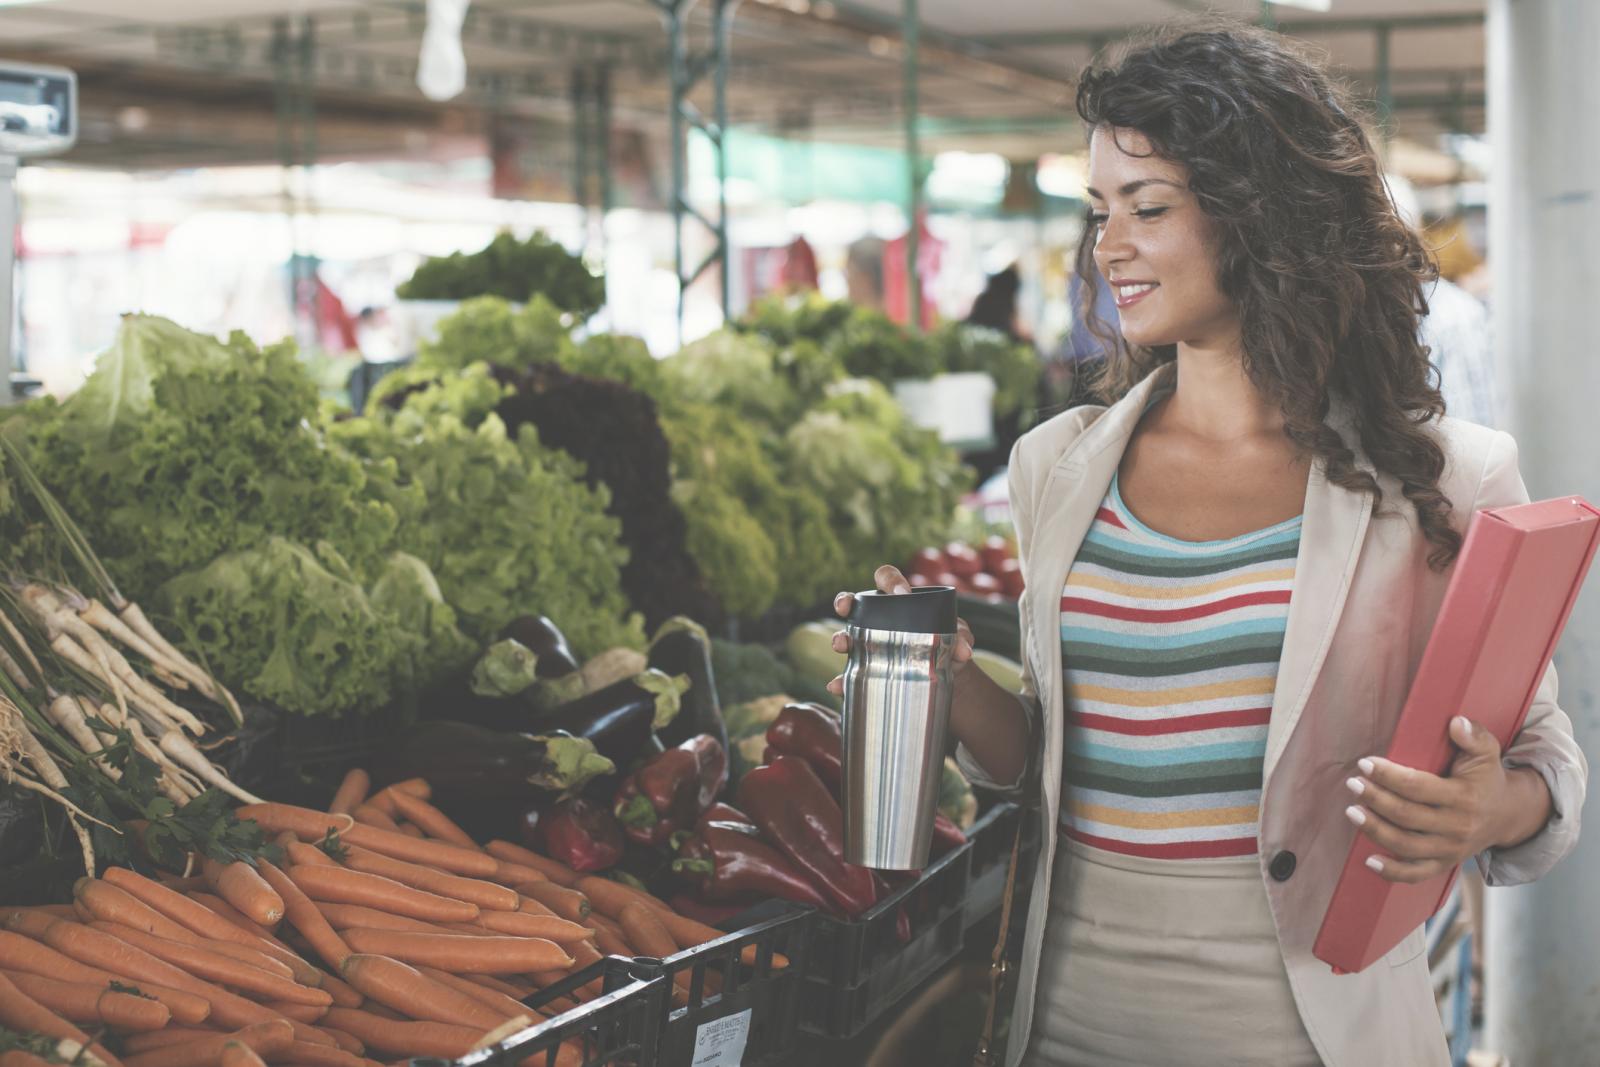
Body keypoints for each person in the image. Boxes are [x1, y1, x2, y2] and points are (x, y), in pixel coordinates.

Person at [825, 22, 1585, 1067]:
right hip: (1065, 1024)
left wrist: (1481, 806)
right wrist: (956, 685)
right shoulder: (1057, 465)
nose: (1107, 246)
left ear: (1259, 217)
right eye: (1098, 212)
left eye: (1147, 208)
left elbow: (1545, 763)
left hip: (1314, 1032)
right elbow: (1047, 765)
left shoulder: (1443, 480)